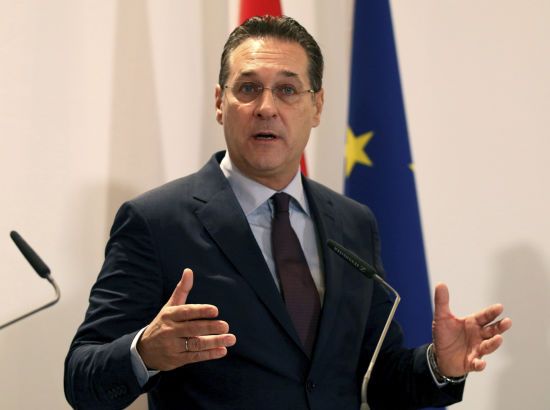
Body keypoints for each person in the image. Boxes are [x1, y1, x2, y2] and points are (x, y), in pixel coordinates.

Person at [64, 16, 511, 410]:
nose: (266, 107)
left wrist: (439, 365)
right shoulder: (156, 222)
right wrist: (143, 352)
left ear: (316, 106)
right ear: (219, 102)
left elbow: (377, 379)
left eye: (287, 89)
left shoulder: (354, 223)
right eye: (248, 88)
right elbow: (82, 379)